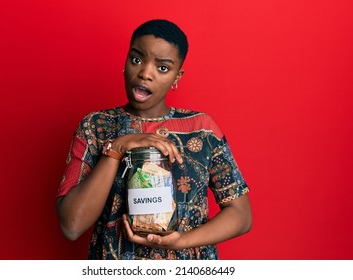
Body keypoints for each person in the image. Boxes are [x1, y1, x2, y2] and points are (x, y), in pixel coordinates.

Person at [56, 19, 252, 260]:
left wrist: (182, 241)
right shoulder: (96, 126)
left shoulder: (202, 130)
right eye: (137, 59)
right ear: (126, 62)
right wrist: (116, 148)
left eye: (162, 68)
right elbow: (72, 225)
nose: (145, 73)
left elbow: (241, 216)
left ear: (177, 77)